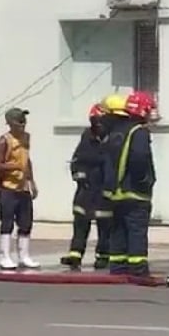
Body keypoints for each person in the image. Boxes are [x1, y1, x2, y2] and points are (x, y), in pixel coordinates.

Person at [101, 90, 157, 277]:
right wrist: (144, 180)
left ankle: (118, 267)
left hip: (116, 193)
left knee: (118, 230)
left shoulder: (116, 131)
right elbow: (140, 158)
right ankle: (138, 268)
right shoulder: (139, 132)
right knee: (136, 230)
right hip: (135, 192)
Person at [60, 102, 114, 270]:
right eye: (95, 120)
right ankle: (75, 255)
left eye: (101, 121)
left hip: (104, 188)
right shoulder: (87, 136)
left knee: (105, 224)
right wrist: (80, 176)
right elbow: (77, 161)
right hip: (86, 188)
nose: (98, 124)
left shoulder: (113, 138)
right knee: (80, 222)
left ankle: (103, 256)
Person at [0, 107, 40, 270]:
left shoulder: (26, 138)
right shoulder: (4, 141)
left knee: (26, 222)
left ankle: (24, 255)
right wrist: (13, 166)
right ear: (10, 124)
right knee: (7, 221)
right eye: (19, 122)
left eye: (24, 122)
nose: (23, 125)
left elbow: (27, 160)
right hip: (8, 187)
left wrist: (32, 181)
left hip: (23, 187)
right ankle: (5, 255)